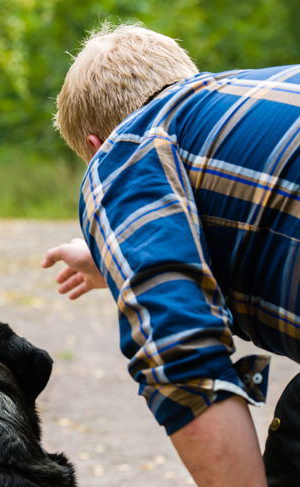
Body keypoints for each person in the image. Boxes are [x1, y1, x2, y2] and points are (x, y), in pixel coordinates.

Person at [41, 23, 299, 487]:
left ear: (95, 147)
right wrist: (109, 260)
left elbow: (179, 349)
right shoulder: (258, 91)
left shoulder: (125, 149)